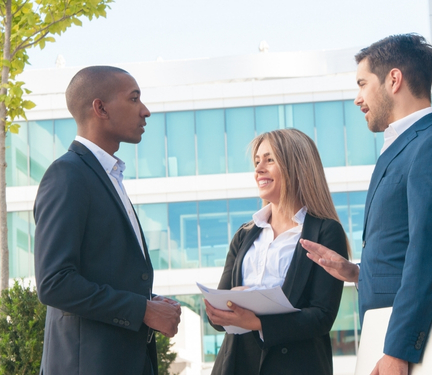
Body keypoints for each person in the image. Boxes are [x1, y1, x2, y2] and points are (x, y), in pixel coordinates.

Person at [302, 34, 432, 375]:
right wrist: (357, 273)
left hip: (424, 346)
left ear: (394, 79)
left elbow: (430, 252)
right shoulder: (404, 145)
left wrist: (399, 350)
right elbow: (405, 251)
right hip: (395, 337)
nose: (357, 98)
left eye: (362, 84)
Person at [34, 66, 181, 375]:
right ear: (99, 108)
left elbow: (103, 272)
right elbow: (54, 282)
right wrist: (141, 310)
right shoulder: (68, 175)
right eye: (134, 99)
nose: (146, 111)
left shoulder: (108, 176)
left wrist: (150, 302)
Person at [205, 128, 349, 375]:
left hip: (296, 366)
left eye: (269, 160)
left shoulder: (325, 232)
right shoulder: (244, 235)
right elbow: (217, 315)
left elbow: (322, 316)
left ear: (297, 166)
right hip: (237, 365)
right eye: (257, 161)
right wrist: (224, 306)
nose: (259, 169)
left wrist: (257, 322)